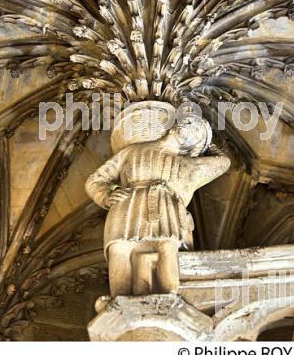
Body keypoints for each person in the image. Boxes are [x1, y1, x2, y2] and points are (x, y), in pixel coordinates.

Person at [85, 112, 231, 297]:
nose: (187, 126)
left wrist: (207, 143)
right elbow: (95, 180)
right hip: (127, 205)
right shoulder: (132, 151)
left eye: (194, 129)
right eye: (186, 122)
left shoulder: (188, 166)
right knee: (119, 247)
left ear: (194, 144)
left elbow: (223, 162)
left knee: (166, 245)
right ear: (173, 125)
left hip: (165, 207)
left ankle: (168, 298)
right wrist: (106, 195)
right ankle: (118, 300)